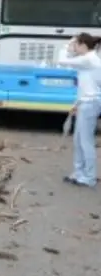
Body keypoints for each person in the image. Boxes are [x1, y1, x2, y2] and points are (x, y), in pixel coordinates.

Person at [59, 33, 101, 188]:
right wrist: (76, 103)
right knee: (78, 140)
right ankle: (79, 173)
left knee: (85, 141)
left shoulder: (89, 59)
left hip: (90, 103)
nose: (73, 47)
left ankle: (89, 177)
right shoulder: (89, 60)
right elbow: (86, 85)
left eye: (76, 44)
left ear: (83, 45)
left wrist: (65, 47)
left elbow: (62, 61)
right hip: (85, 102)